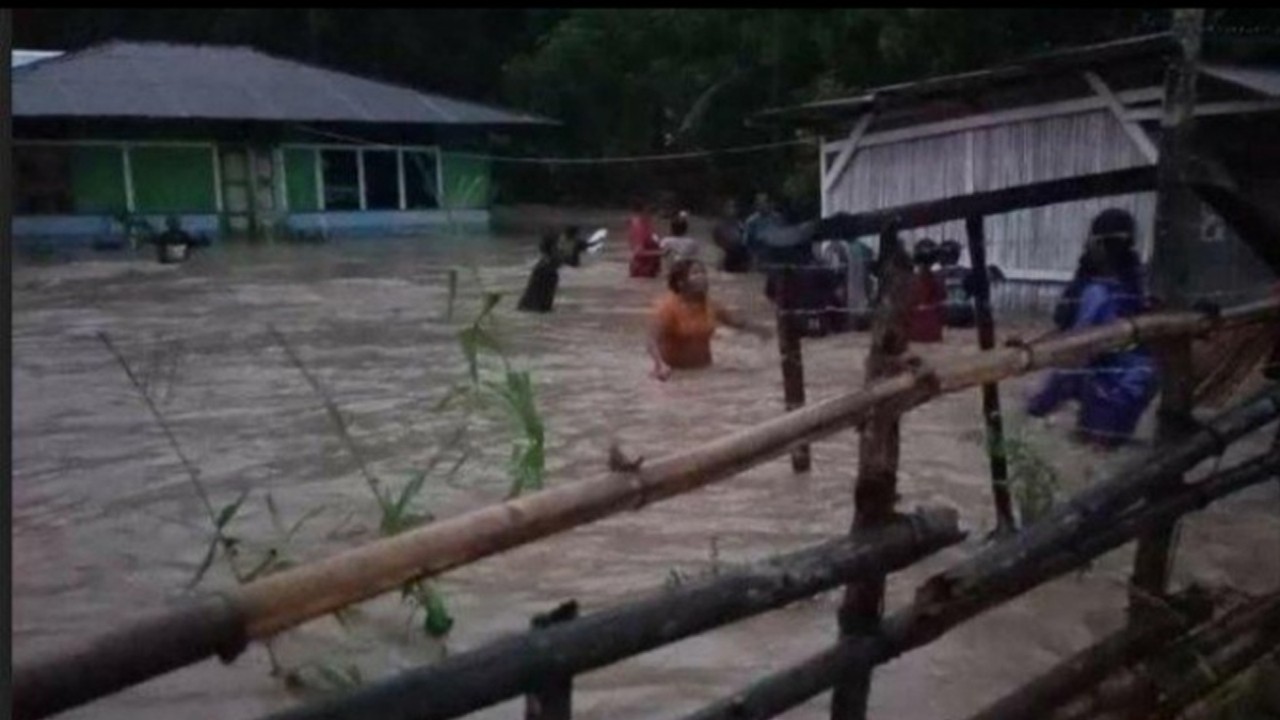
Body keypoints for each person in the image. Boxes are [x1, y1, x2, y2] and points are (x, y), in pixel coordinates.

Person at [1028, 236, 1158, 448]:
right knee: (1109, 448)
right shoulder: (1135, 285)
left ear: (1100, 247)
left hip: (1116, 384)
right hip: (1142, 379)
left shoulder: (1096, 292)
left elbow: (1075, 349)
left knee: (1092, 446)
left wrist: (1035, 408)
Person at [647, 259, 771, 380]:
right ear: (681, 282)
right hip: (675, 375)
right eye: (695, 273)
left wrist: (764, 331)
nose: (703, 277)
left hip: (705, 372)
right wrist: (660, 365)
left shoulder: (711, 304)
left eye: (704, 272)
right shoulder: (667, 308)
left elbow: (736, 323)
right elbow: (652, 341)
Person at [1054, 208, 1144, 330]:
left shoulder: (1135, 281)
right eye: (1111, 244)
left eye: (1117, 244)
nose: (1115, 250)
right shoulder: (1084, 285)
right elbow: (1061, 319)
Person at [817, 238, 876, 333]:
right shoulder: (864, 249)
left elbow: (833, 273)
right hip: (859, 297)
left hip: (847, 294)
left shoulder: (834, 248)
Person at [907, 238, 946, 344]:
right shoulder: (938, 279)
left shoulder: (910, 280)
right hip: (932, 333)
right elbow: (942, 307)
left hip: (915, 333)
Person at [517, 231, 564, 313]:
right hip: (531, 311)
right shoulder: (546, 270)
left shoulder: (546, 267)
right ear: (553, 249)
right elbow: (537, 305)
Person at [712, 199, 751, 273]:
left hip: (739, 258)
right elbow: (717, 243)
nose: (731, 210)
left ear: (737, 210)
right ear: (724, 209)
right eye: (728, 207)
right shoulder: (719, 226)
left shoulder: (741, 226)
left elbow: (745, 243)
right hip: (726, 257)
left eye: (733, 208)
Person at [627, 199, 663, 279]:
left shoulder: (646, 224)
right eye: (650, 211)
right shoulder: (639, 227)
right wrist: (661, 253)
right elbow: (638, 252)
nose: (653, 214)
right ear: (642, 211)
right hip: (642, 271)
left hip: (648, 270)